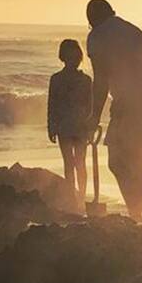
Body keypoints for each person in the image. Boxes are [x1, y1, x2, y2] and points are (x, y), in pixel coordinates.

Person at [86, 0, 142, 220]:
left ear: (92, 20)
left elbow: (100, 80)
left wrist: (93, 117)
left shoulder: (98, 36)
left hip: (127, 106)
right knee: (137, 162)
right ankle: (136, 212)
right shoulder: (133, 31)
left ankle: (135, 213)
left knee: (117, 162)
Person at [48, 38, 94, 201]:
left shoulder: (58, 79)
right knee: (77, 163)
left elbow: (52, 105)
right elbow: (52, 104)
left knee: (73, 163)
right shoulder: (84, 80)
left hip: (69, 126)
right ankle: (77, 196)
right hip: (72, 126)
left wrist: (51, 126)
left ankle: (76, 197)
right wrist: (51, 126)